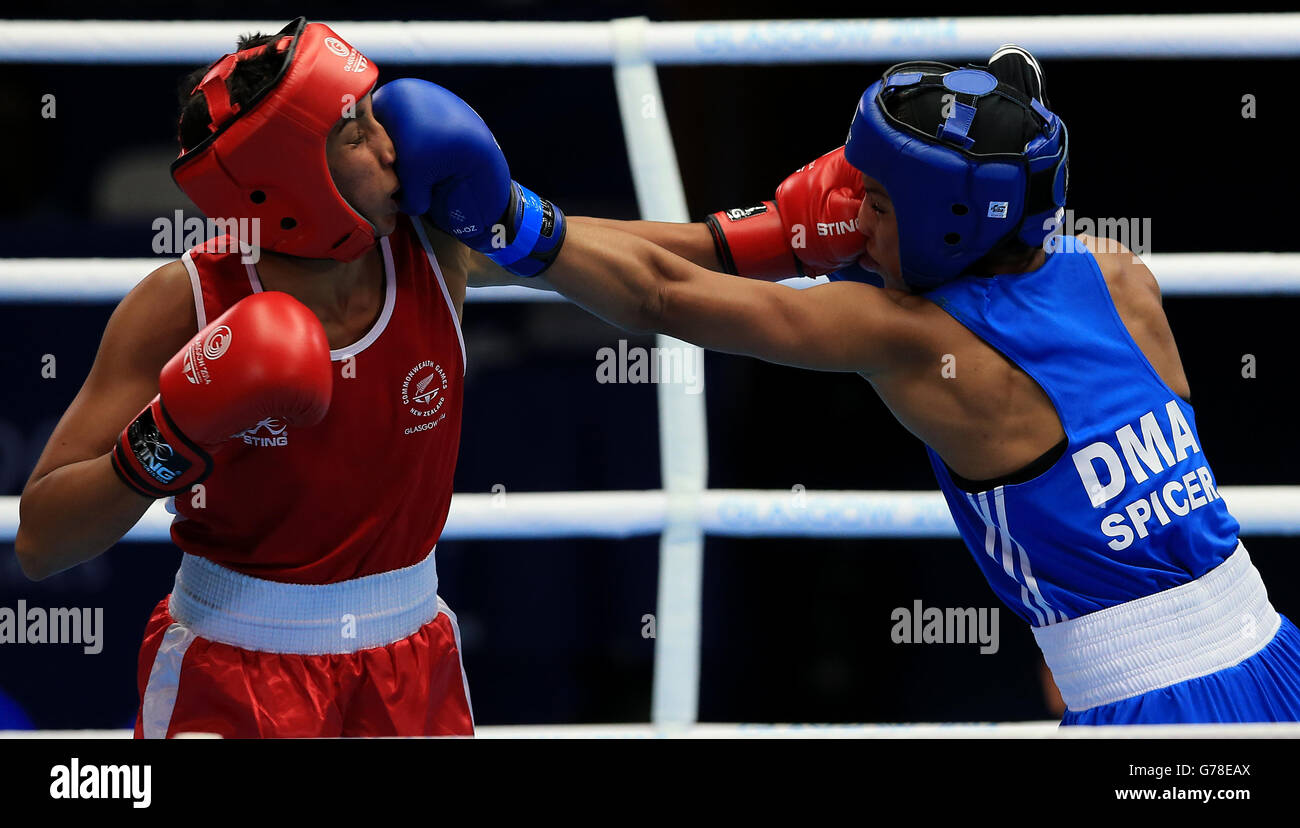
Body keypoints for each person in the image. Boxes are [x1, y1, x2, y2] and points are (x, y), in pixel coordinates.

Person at [374, 45, 1300, 725]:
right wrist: (761, 239)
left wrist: (507, 222)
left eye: (881, 204)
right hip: (1273, 650)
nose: (855, 218)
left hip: (1157, 714)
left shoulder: (908, 338)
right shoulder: (1114, 272)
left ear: (949, 224)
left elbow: (664, 294)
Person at [14, 18, 554, 738]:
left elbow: (639, 278)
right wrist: (168, 437)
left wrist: (736, 242)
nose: (394, 144)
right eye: (357, 131)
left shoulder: (434, 245)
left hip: (409, 660)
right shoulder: (187, 302)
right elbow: (42, 542)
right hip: (232, 673)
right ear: (294, 172)